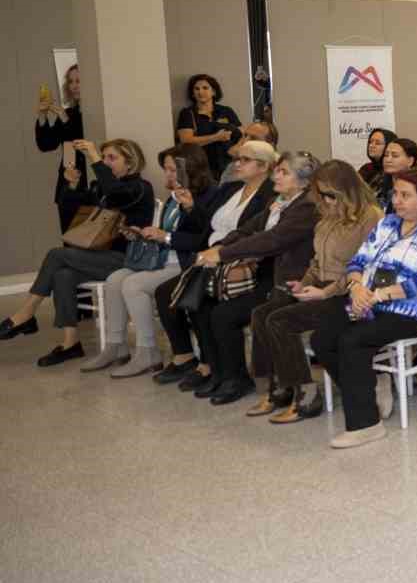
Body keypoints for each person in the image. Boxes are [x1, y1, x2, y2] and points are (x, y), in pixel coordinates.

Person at [309, 168, 417, 448]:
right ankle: (368, 385)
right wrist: (357, 287)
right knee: (323, 337)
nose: (397, 200)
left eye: (406, 195)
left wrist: (378, 296)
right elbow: (358, 261)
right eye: (395, 194)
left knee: (354, 339)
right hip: (376, 301)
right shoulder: (388, 223)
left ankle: (366, 424)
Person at [1, 138, 155, 366]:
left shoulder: (140, 188)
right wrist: (72, 185)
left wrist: (93, 156)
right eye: (104, 158)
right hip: (100, 257)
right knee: (62, 274)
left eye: (112, 158)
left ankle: (26, 313)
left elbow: (116, 192)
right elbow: (69, 209)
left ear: (130, 163)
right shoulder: (103, 188)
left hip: (127, 259)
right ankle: (70, 343)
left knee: (56, 254)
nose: (106, 162)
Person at [250, 160, 383, 423]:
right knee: (261, 314)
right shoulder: (328, 215)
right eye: (321, 194)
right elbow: (316, 260)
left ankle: (306, 394)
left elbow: (366, 268)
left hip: (350, 292)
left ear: (346, 189)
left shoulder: (371, 216)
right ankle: (284, 386)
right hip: (321, 286)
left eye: (330, 194)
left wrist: (325, 292)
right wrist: (304, 282)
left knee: (280, 321)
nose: (325, 200)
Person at [188, 150, 319, 405]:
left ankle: (274, 384)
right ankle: (225, 374)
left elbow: (273, 239)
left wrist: (223, 254)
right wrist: (220, 246)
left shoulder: (306, 207)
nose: (276, 176)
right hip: (270, 277)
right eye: (277, 170)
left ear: (303, 181)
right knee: (205, 304)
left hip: (296, 282)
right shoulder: (278, 200)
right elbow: (248, 229)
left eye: (284, 172)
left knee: (248, 314)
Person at [151, 140, 277, 388]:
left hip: (241, 264)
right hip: (212, 259)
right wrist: (191, 206)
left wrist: (221, 252)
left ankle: (224, 372)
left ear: (263, 166)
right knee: (170, 293)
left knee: (202, 300)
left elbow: (257, 235)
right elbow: (207, 226)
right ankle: (208, 365)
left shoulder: (269, 195)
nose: (237, 164)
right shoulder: (230, 189)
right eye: (237, 159)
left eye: (245, 160)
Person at [79, 144, 210, 377]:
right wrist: (141, 234)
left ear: (191, 169)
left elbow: (203, 238)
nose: (167, 174)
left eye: (173, 170)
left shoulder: (204, 197)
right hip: (164, 259)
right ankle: (116, 345)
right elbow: (166, 233)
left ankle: (147, 350)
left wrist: (165, 235)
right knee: (114, 279)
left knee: (133, 284)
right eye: (166, 169)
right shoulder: (172, 199)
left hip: (185, 262)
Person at [35, 61, 87, 232]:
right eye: (71, 82)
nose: (74, 86)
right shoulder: (69, 112)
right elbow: (46, 144)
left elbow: (80, 141)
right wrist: (42, 115)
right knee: (69, 234)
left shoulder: (94, 112)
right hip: (67, 184)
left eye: (78, 81)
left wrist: (64, 118)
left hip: (88, 182)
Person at [175, 73, 242, 179]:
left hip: (228, 167)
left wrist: (235, 149)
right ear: (192, 93)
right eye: (196, 89)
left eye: (205, 88)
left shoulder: (226, 111)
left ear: (214, 92)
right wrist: (216, 137)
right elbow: (186, 141)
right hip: (200, 169)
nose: (200, 92)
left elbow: (242, 133)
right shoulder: (187, 113)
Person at [373, 137, 417, 213]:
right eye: (386, 155)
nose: (388, 160)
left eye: (395, 156)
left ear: (410, 161)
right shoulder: (379, 180)